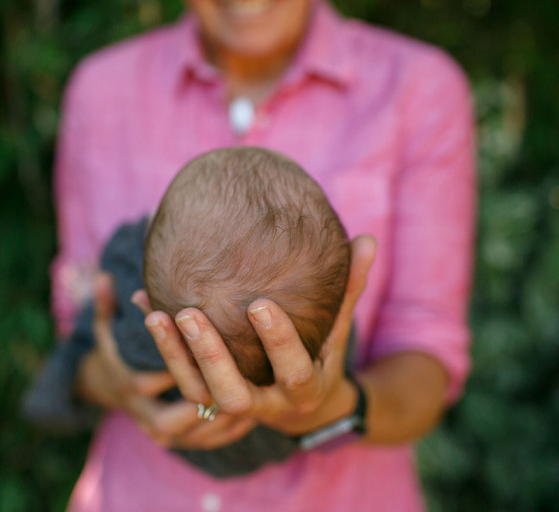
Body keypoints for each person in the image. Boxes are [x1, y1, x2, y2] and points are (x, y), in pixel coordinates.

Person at [28, 0, 476, 509]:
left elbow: (426, 354)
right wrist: (116, 382)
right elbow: (79, 328)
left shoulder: (417, 87)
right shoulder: (103, 90)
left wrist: (330, 411)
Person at [30, 146, 352, 477]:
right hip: (269, 446)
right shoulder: (328, 319)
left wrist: (135, 243)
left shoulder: (142, 316)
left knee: (105, 308)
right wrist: (339, 404)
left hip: (172, 442)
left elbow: (100, 324)